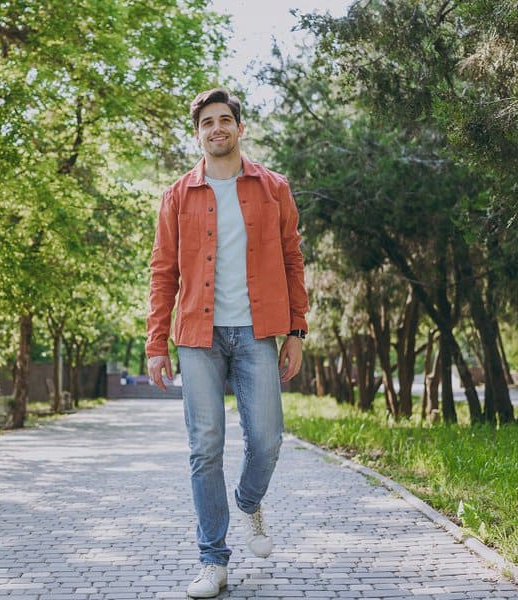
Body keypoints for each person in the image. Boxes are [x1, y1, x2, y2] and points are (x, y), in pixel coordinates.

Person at [146, 88, 309, 598]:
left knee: (267, 440)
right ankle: (212, 561)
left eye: (225, 120)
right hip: (198, 336)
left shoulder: (273, 188)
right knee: (205, 448)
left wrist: (297, 331)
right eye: (207, 123)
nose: (217, 129)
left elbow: (292, 260)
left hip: (258, 331)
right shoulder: (177, 195)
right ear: (198, 134)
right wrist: (156, 342)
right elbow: (163, 271)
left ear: (240, 128)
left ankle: (248, 499)